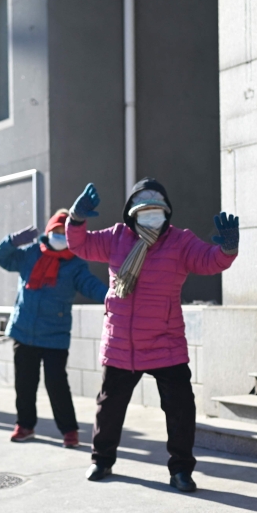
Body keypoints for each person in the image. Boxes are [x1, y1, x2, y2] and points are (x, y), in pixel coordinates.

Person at [66, 178, 239, 492]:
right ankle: (101, 460)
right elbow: (80, 244)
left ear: (167, 212)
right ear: (131, 212)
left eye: (157, 210)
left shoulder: (180, 242)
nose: (150, 215)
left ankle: (181, 470)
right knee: (109, 407)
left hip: (166, 342)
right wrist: (75, 220)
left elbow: (209, 261)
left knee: (180, 410)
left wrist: (228, 249)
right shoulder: (116, 237)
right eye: (144, 210)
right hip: (122, 343)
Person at [0, 210, 108, 448]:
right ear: (47, 232)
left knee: (56, 384)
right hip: (24, 331)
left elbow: (90, 285)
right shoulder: (30, 254)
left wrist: (111, 296)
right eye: (55, 231)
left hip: (55, 335)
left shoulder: (75, 264)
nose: (59, 236)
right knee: (24, 383)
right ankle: (25, 426)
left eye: (63, 232)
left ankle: (69, 430)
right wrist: (13, 241)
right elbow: (0, 258)